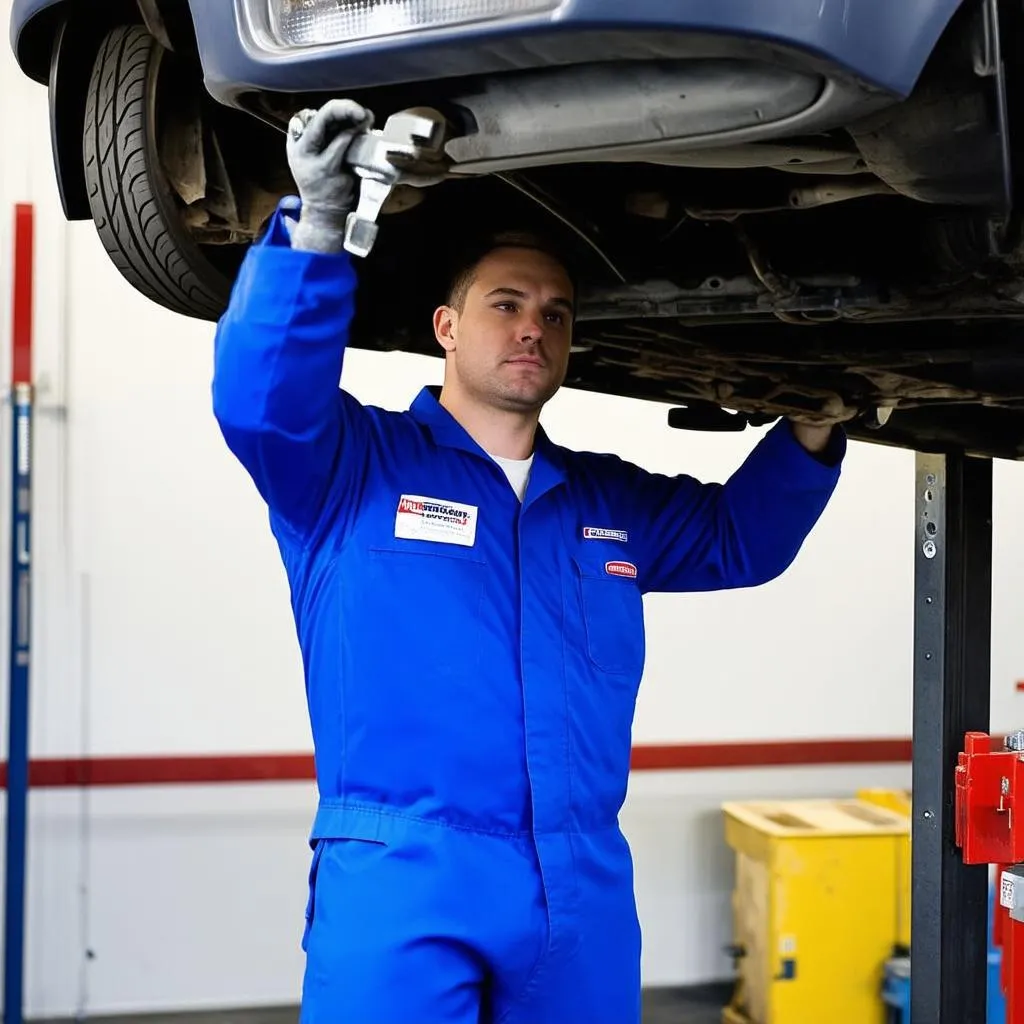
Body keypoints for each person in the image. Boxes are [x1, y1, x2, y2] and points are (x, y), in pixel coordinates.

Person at [211, 99, 848, 1024]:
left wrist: (817, 425)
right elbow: (259, 404)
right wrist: (314, 230)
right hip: (404, 874)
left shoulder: (599, 502)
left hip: (578, 881)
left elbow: (738, 539)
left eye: (555, 314)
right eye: (505, 304)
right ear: (445, 326)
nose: (531, 328)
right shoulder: (349, 469)